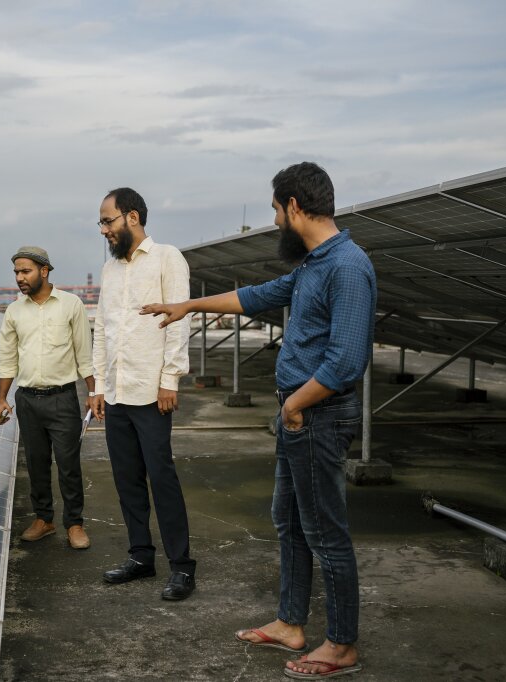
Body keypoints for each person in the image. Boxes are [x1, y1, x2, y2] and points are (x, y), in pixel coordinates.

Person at [141, 162, 376, 678]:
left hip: (316, 415)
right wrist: (189, 305)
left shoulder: (347, 266)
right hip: (300, 414)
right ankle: (291, 623)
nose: (273, 222)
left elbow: (345, 361)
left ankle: (341, 645)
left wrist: (293, 407)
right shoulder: (315, 264)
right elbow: (259, 296)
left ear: (294, 206)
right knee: (289, 521)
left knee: (326, 533)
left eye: (275, 210)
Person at [90, 187, 197, 601]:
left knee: (162, 477)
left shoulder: (167, 258)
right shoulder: (110, 269)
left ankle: (182, 566)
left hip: (151, 392)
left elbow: (180, 320)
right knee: (126, 479)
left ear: (132, 217)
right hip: (117, 392)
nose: (104, 230)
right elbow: (102, 329)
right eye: (101, 222)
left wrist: (170, 378)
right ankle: (140, 557)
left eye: (108, 221)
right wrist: (99, 387)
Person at [0, 246, 94, 550]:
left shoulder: (70, 304)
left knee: (68, 464)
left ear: (44, 271)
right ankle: (44, 520)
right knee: (36, 464)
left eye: (25, 271)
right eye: (16, 272)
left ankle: (74, 524)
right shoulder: (14, 311)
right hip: (27, 400)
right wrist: (2, 399)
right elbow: (7, 359)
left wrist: (94, 393)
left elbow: (84, 354)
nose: (19, 278)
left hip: (62, 398)